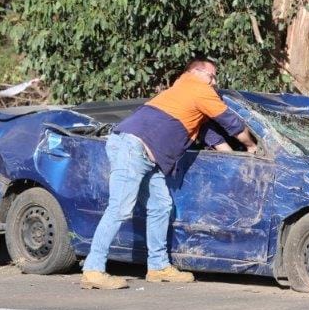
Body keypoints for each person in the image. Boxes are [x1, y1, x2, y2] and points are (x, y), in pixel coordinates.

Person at [81, 58, 257, 290]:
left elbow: (211, 137)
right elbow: (231, 122)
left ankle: (157, 267)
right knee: (120, 208)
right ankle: (93, 270)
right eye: (212, 76)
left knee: (161, 205)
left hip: (147, 155)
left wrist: (235, 157)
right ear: (196, 72)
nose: (215, 82)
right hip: (133, 148)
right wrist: (252, 146)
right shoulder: (197, 88)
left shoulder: (183, 94)